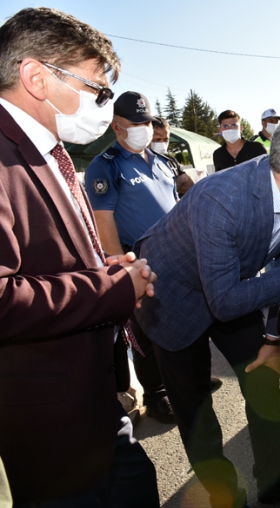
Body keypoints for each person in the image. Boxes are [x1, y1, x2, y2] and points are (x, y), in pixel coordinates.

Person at [135, 110, 280, 508]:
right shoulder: (221, 200)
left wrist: (270, 339)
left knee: (262, 379)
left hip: (227, 284)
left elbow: (279, 273)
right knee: (197, 413)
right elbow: (233, 298)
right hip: (171, 298)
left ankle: (273, 483)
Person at [0, 7, 158, 506]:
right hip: (50, 430)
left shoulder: (49, 150)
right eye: (95, 86)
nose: (103, 104)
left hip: (95, 405)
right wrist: (112, 290)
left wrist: (103, 267)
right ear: (35, 76)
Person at [85, 91, 184, 424]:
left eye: (146, 122)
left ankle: (184, 379)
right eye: (135, 123)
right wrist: (124, 273)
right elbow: (104, 221)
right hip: (139, 263)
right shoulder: (107, 166)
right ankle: (156, 396)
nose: (143, 128)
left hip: (176, 258)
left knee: (182, 323)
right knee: (146, 332)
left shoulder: (161, 161)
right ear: (117, 126)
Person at [151, 115, 194, 196]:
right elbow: (159, 194)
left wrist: (179, 181)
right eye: (157, 139)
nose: (162, 143)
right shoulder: (144, 162)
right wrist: (181, 180)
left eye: (166, 139)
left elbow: (190, 186)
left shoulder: (171, 160)